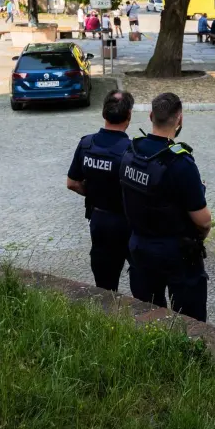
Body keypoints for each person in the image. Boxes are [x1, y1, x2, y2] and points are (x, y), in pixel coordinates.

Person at [120, 92, 213, 321]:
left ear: (151, 115)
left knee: (148, 317)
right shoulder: (180, 162)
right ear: (179, 120)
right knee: (190, 321)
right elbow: (204, 221)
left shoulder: (131, 152)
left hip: (140, 247)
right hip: (176, 253)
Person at [67, 90, 136, 291]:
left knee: (105, 287)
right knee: (142, 283)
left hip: (99, 221)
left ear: (104, 114)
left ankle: (108, 318)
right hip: (128, 223)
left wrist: (95, 192)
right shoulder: (131, 151)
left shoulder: (87, 144)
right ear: (129, 116)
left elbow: (72, 183)